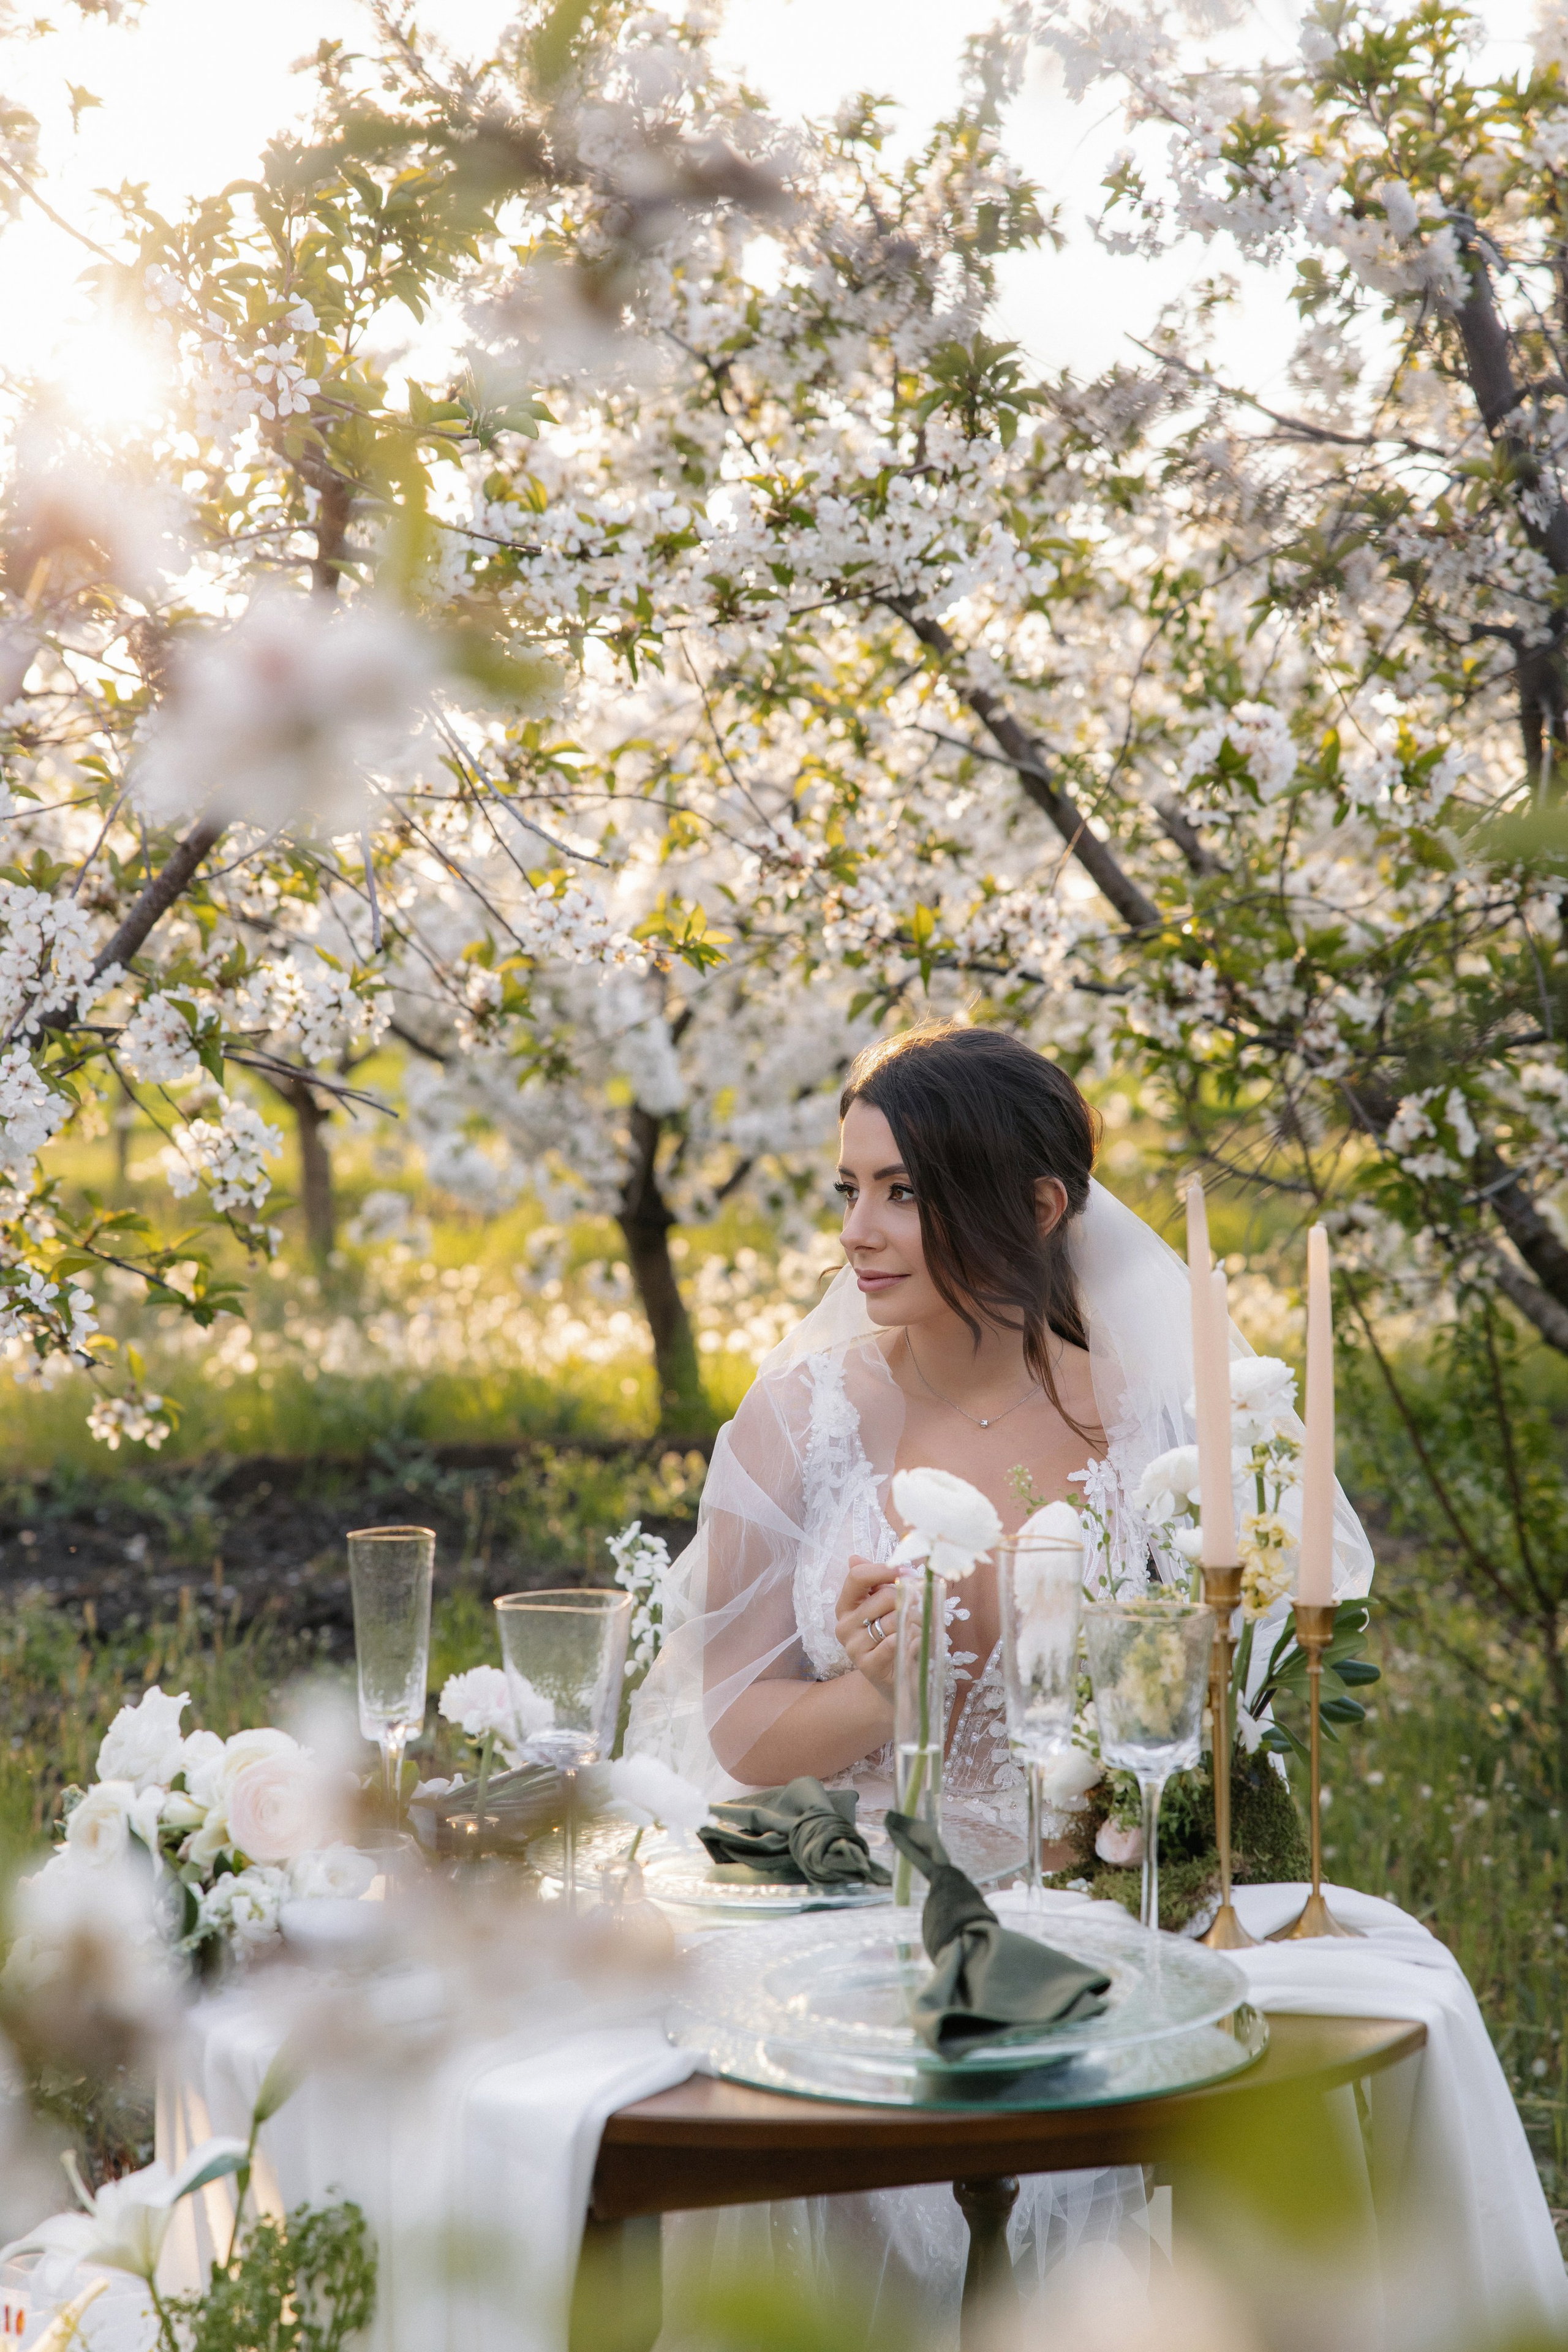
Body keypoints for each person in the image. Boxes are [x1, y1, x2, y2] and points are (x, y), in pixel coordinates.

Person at [630, 1020, 1374, 2345]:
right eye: (847, 1189)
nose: (858, 1230)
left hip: (1105, 1906)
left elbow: (1227, 1707)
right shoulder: (798, 1421)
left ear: (1037, 1206)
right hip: (855, 1929)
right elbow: (741, 1731)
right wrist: (882, 1690)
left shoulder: (1165, 1430)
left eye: (904, 1193)